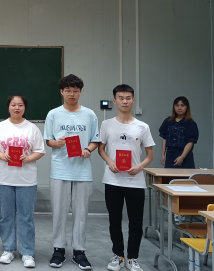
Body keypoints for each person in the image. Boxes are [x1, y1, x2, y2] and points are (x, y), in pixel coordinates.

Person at [44, 74, 100, 270]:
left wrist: (88, 150)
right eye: (68, 91)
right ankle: (58, 249)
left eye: (75, 91)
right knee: (59, 212)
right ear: (62, 91)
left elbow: (95, 140)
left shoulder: (90, 114)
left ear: (80, 92)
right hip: (60, 170)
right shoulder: (53, 114)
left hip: (82, 171)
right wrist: (57, 143)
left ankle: (79, 251)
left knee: (81, 213)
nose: (72, 94)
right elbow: (48, 140)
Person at [98, 85, 155, 271]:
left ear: (133, 100)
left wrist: (139, 166)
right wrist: (110, 162)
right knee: (114, 220)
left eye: (128, 98)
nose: (124, 101)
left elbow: (150, 155)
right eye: (121, 98)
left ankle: (132, 258)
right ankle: (118, 255)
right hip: (112, 180)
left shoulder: (142, 127)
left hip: (135, 181)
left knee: (136, 222)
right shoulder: (106, 124)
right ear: (115, 101)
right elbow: (101, 149)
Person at [0, 94, 46, 268]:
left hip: (26, 180)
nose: (17, 108)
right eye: (13, 104)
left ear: (24, 107)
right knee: (6, 216)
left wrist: (28, 158)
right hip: (4, 178)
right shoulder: (0, 127)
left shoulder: (32, 128)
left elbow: (40, 150)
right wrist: (2, 156)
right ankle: (8, 250)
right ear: (8, 107)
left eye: (20, 105)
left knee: (26, 217)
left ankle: (27, 252)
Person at [159, 96, 199, 169]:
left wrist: (182, 157)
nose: (179, 108)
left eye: (182, 105)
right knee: (168, 175)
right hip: (170, 155)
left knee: (185, 176)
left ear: (187, 107)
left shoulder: (191, 123)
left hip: (185, 156)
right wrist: (162, 155)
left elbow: (190, 142)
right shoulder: (167, 121)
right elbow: (164, 138)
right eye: (177, 105)